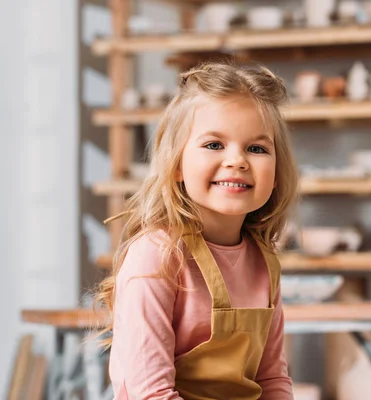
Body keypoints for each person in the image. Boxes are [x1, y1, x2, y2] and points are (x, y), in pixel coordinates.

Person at [95, 62, 298, 399]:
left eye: (257, 148)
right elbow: (152, 393)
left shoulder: (264, 263)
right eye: (214, 145)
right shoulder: (156, 258)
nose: (238, 161)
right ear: (176, 164)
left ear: (276, 173)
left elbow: (273, 381)